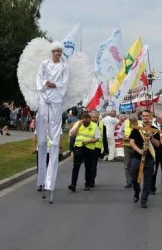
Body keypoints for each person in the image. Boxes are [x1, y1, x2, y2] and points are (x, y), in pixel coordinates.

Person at [36, 41, 69, 202]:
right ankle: (41, 179)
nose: (58, 53)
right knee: (42, 137)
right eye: (56, 51)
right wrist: (45, 83)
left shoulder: (64, 67)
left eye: (60, 51)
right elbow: (39, 77)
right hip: (44, 97)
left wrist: (55, 84)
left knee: (54, 136)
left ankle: (50, 181)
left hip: (56, 98)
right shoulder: (44, 64)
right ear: (52, 52)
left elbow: (64, 82)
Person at [129, 110, 160, 208]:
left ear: (150, 117)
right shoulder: (137, 128)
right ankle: (137, 191)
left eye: (147, 116)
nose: (145, 117)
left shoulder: (154, 129)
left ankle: (144, 200)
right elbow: (131, 142)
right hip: (137, 156)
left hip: (150, 158)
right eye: (144, 115)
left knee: (148, 180)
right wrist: (139, 151)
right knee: (133, 176)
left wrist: (151, 137)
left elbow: (157, 144)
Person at [68, 112, 100, 192]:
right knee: (76, 166)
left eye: (87, 120)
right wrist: (78, 127)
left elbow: (97, 138)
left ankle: (87, 184)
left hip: (89, 148)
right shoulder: (79, 124)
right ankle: (73, 184)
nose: (85, 122)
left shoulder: (94, 126)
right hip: (79, 147)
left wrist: (89, 141)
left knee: (88, 167)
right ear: (82, 119)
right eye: (83, 120)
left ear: (89, 119)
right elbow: (72, 134)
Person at [118, 114, 140, 188]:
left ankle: (136, 180)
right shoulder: (125, 123)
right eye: (131, 121)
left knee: (136, 165)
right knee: (127, 165)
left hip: (137, 148)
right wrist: (124, 138)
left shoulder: (140, 124)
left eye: (133, 121)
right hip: (127, 147)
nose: (132, 122)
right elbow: (119, 134)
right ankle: (129, 181)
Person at [90, 110, 108, 188]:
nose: (94, 119)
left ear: (98, 118)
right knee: (88, 165)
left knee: (94, 165)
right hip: (88, 147)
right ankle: (88, 179)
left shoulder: (102, 126)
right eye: (93, 117)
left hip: (97, 148)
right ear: (90, 118)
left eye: (96, 117)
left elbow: (104, 138)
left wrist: (106, 149)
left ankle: (92, 180)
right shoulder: (87, 125)